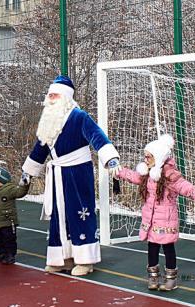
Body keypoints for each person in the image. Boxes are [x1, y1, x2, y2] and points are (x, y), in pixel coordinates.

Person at [22, 75, 122, 276]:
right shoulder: (48, 120)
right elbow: (40, 149)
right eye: (49, 95)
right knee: (59, 216)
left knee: (80, 212)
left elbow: (97, 136)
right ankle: (63, 258)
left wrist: (111, 159)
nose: (50, 99)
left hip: (77, 171)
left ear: (66, 97)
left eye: (55, 95)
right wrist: (28, 172)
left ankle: (85, 260)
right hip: (58, 172)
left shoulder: (79, 116)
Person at [115, 134, 195, 291]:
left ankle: (171, 279)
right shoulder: (146, 174)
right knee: (152, 248)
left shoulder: (169, 176)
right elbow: (132, 176)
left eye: (149, 157)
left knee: (168, 248)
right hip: (151, 220)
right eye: (145, 157)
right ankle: (153, 277)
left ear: (157, 157)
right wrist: (118, 170)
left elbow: (188, 188)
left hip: (166, 220)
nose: (145, 160)